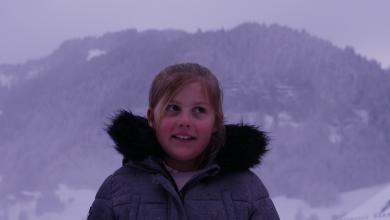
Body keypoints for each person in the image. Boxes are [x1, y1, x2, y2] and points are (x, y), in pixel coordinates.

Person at [88, 63, 280, 219]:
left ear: (217, 122)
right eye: (173, 108)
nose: (185, 122)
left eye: (199, 110)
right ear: (152, 118)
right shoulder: (118, 189)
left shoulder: (246, 189)